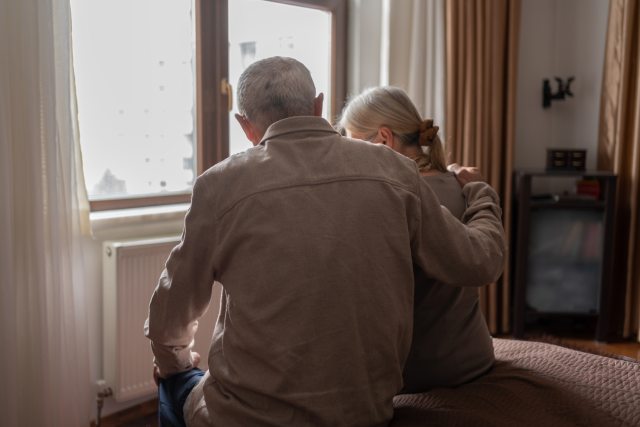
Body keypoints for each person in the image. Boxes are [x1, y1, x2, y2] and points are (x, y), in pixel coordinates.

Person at [144, 57, 505, 427]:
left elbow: (168, 321)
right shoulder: (396, 170)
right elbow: (479, 262)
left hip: (245, 417)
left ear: (245, 126)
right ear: (318, 105)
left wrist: (177, 365)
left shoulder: (218, 185)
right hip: (366, 414)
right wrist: (480, 193)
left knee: (172, 381)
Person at [338, 86, 496, 392]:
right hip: (473, 356)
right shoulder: (461, 183)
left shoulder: (392, 200)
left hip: (419, 373)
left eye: (353, 145)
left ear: (384, 138)